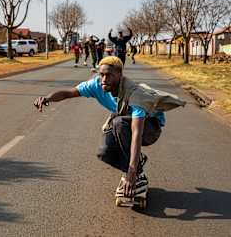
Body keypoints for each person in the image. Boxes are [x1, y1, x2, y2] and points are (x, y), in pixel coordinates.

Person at [33, 56, 185, 200]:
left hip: (150, 128)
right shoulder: (97, 84)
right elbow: (68, 93)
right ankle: (138, 170)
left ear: (120, 75)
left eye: (109, 75)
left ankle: (134, 173)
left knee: (119, 123)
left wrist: (130, 169)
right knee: (104, 152)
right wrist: (48, 98)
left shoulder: (134, 94)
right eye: (102, 75)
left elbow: (137, 133)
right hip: (125, 123)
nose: (104, 79)